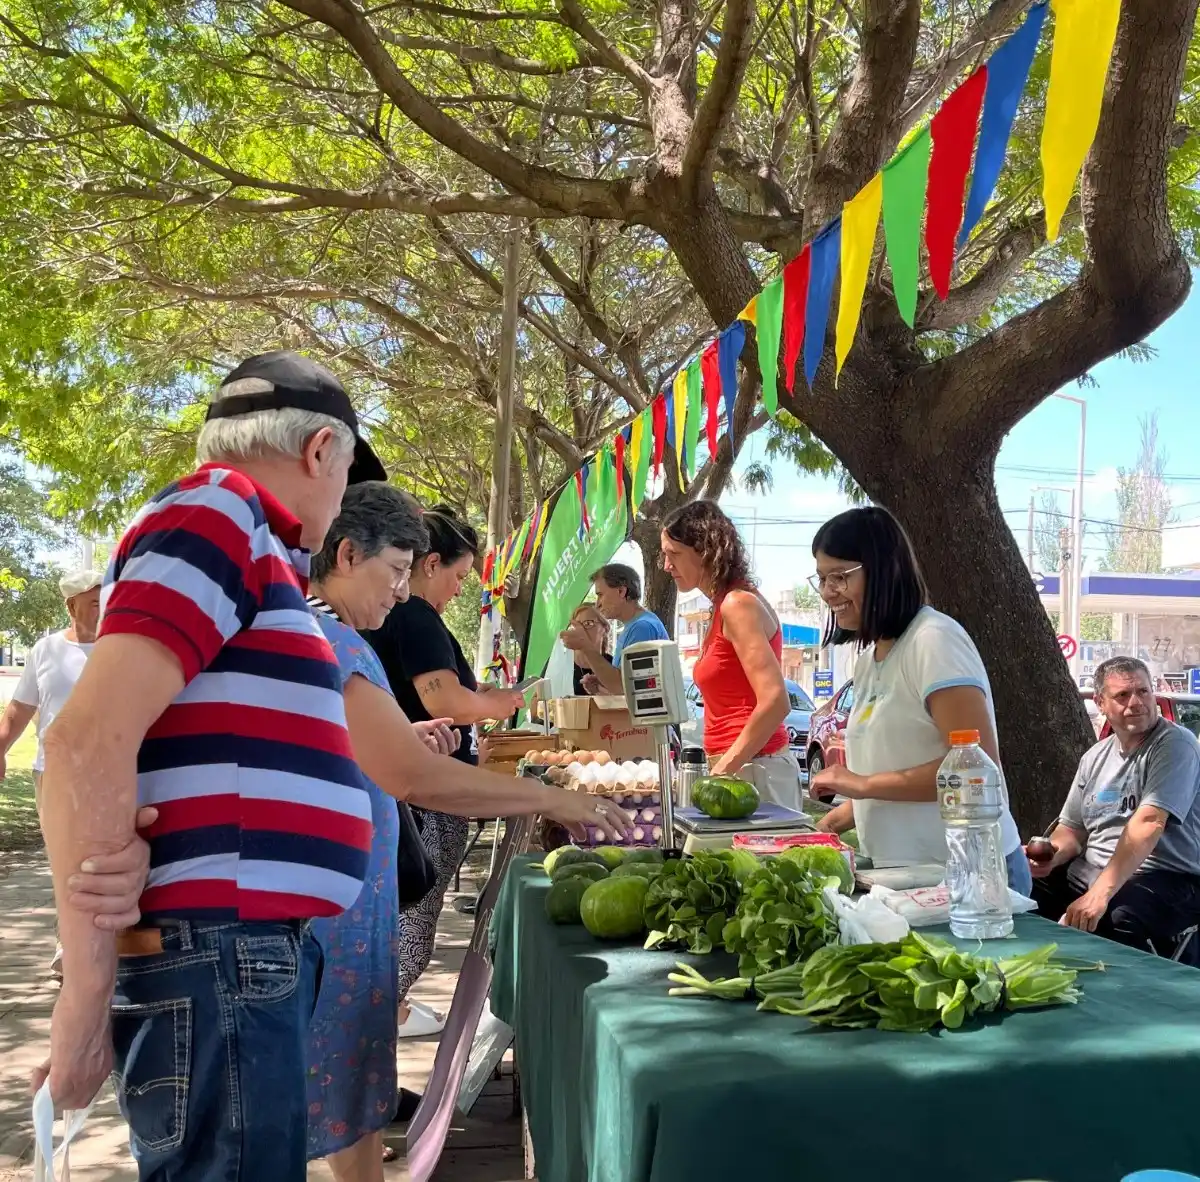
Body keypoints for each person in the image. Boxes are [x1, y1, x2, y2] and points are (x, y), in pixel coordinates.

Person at [37, 349, 392, 1179]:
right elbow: (84, 741)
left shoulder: (235, 529)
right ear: (320, 454)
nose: (342, 503)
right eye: (347, 475)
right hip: (220, 953)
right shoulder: (221, 510)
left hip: (233, 953)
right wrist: (83, 1000)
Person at [303, 483, 631, 1179]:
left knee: (348, 1085)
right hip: (331, 905)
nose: (401, 593)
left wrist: (403, 734)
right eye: (395, 571)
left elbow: (358, 744)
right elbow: (420, 781)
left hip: (333, 896)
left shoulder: (316, 631)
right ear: (346, 552)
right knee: (339, 1076)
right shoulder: (328, 639)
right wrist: (545, 799)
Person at [361, 504, 525, 1044]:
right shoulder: (415, 619)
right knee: (408, 934)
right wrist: (501, 702)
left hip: (416, 791)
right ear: (430, 564)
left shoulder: (400, 619)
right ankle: (370, 1053)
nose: (459, 589)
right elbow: (447, 700)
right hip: (423, 803)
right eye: (457, 576)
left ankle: (372, 1056)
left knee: (405, 934)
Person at [808, 507, 1029, 893]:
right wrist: (852, 812)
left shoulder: (933, 640)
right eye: (823, 579)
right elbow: (901, 764)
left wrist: (860, 785)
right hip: (911, 877)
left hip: (971, 878)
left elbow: (973, 770)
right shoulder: (868, 661)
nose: (829, 592)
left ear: (881, 571)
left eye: (840, 577)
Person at [1028, 656, 1200, 952]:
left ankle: (1130, 995)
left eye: (1143, 691)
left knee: (1117, 915)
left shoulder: (1175, 745)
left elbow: (1149, 822)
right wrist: (1049, 857)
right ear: (1100, 702)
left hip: (1165, 876)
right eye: (1122, 695)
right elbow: (1071, 830)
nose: (1136, 702)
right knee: (1021, 891)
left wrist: (1099, 894)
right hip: (1092, 872)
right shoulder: (1094, 758)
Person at [661, 501, 801, 809]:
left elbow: (776, 701)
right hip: (741, 771)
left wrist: (723, 769)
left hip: (757, 772)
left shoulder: (737, 604)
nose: (665, 565)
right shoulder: (722, 605)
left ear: (705, 551)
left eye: (674, 554)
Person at [0, 568, 102, 808]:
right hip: (54, 774)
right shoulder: (45, 650)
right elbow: (20, 709)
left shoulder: (122, 649)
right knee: (58, 847)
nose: (104, 610)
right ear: (72, 607)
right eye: (95, 603)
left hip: (112, 776)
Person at [562, 563, 668, 693]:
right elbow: (631, 692)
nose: (598, 603)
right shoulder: (635, 626)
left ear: (621, 591)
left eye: (600, 594)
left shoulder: (642, 628)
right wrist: (601, 685)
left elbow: (623, 687)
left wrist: (584, 645)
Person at [567, 602, 613, 695]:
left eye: (588, 623)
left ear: (605, 628)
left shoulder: (614, 666)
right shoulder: (561, 663)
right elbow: (537, 703)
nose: (581, 630)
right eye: (576, 625)